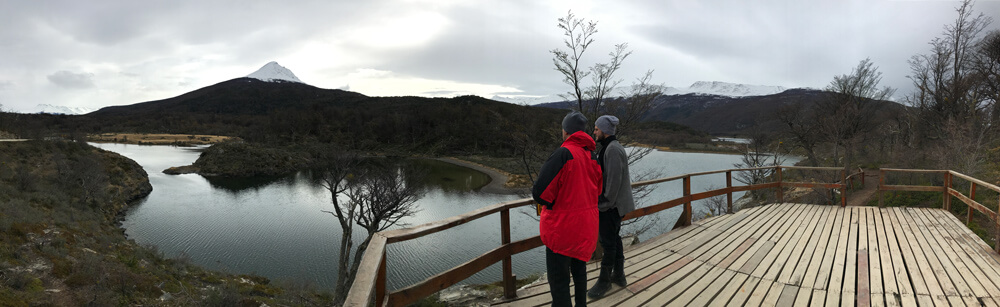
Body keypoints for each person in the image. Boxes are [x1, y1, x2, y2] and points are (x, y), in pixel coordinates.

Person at [532, 111, 602, 307]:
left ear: (565, 131)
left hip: (562, 230)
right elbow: (598, 191)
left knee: (559, 281)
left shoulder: (563, 153)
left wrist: (554, 202)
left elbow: (540, 193)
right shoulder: (592, 155)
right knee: (580, 273)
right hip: (585, 227)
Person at [587, 115, 635, 299]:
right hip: (613, 205)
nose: (594, 132)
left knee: (608, 243)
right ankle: (619, 276)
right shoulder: (610, 147)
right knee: (614, 239)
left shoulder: (613, 150)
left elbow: (613, 183)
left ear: (604, 131)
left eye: (596, 129)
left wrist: (603, 204)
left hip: (611, 206)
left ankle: (604, 282)